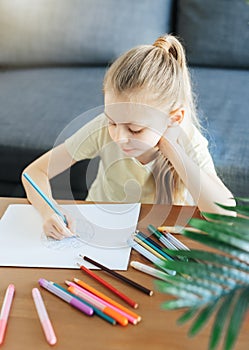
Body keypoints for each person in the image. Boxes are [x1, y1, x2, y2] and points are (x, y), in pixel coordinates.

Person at [22, 34, 234, 240]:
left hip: (157, 238)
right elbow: (34, 172)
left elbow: (225, 216)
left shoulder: (189, 142)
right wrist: (49, 211)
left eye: (135, 130)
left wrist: (173, 150)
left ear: (174, 119)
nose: (119, 137)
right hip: (101, 229)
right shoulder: (102, 128)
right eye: (112, 121)